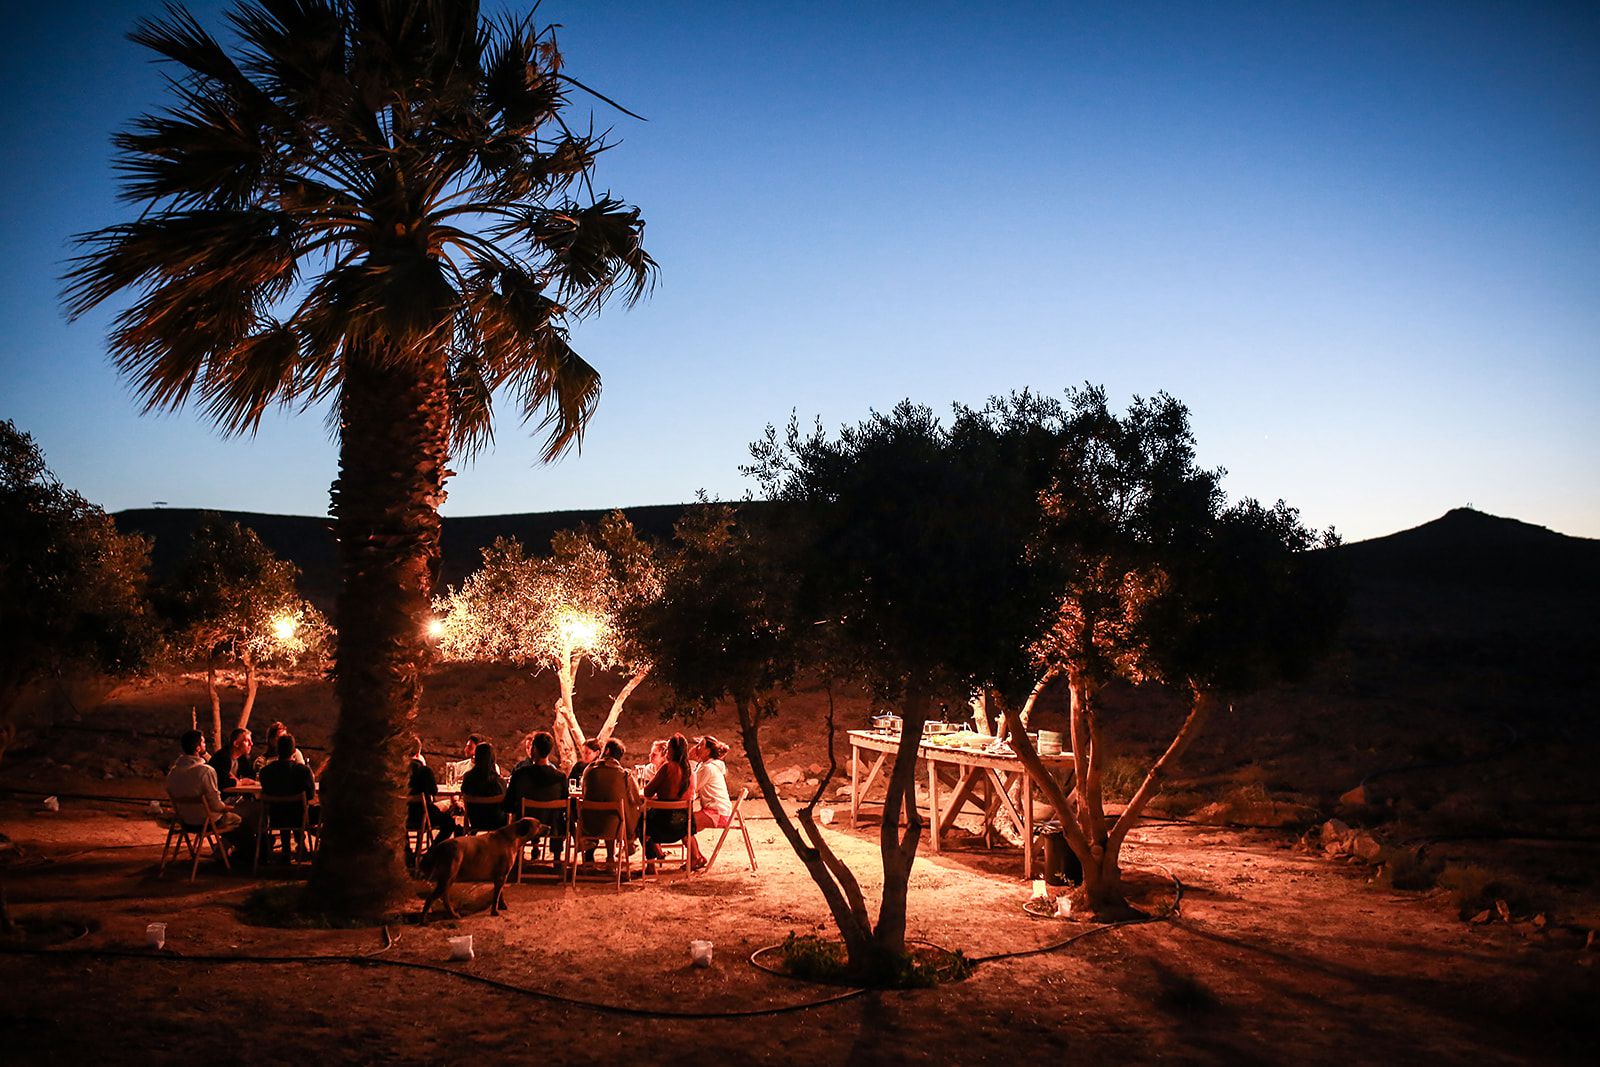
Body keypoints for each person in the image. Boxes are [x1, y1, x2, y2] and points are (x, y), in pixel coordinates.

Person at [165, 729, 248, 861]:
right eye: (203, 742)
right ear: (198, 748)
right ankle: (236, 853)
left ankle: (223, 849)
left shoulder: (173, 772)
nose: (205, 744)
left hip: (184, 821)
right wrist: (229, 808)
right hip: (207, 821)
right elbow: (216, 805)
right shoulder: (205, 771)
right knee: (240, 819)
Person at [503, 730, 568, 861]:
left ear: (534, 749)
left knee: (514, 815)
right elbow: (565, 804)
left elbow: (508, 805)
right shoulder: (560, 777)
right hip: (552, 825)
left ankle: (517, 858)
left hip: (524, 825)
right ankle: (557, 859)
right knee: (560, 817)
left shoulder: (520, 774)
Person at [578, 738, 642, 870]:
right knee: (618, 812)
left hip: (588, 826)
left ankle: (594, 857)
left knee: (605, 812)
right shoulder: (624, 775)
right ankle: (619, 851)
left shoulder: (589, 771)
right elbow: (636, 800)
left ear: (606, 751)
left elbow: (583, 793)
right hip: (615, 828)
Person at [257, 731, 317, 861]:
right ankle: (302, 847)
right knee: (307, 809)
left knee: (283, 807)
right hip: (299, 818)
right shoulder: (303, 771)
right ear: (294, 751)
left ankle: (286, 851)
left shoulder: (266, 772)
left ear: (277, 750)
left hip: (275, 818)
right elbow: (310, 795)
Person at [643, 732, 697, 870]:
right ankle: (693, 856)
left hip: (662, 825)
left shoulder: (667, 768)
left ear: (671, 750)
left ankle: (651, 865)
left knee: (640, 822)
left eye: (668, 749)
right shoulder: (691, 771)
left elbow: (647, 792)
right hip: (683, 827)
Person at [407, 734, 458, 848]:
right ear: (418, 753)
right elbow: (434, 791)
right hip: (423, 815)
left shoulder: (398, 773)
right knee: (449, 822)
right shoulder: (424, 771)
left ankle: (408, 851)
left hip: (402, 815)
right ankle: (433, 849)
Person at [460, 740, 508, 831]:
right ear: (493, 759)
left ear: (476, 757)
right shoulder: (500, 782)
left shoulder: (468, 778)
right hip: (497, 823)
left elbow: (464, 793)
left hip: (476, 821)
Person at [691, 734, 734, 832]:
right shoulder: (708, 766)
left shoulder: (708, 768)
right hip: (721, 811)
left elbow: (692, 787)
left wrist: (692, 761)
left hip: (717, 813)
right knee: (684, 828)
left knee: (683, 825)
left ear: (708, 751)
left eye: (700, 745)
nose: (697, 748)